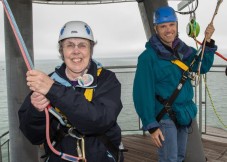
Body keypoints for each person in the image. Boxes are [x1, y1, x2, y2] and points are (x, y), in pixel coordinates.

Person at [18, 21, 124, 162]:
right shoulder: (47, 82)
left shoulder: (106, 79)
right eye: (69, 45)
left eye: (82, 45)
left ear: (90, 50)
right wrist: (36, 111)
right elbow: (34, 137)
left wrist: (54, 90)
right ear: (62, 51)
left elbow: (99, 121)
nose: (76, 51)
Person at [133, 6, 217, 162]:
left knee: (179, 157)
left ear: (177, 25)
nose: (168, 30)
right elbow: (142, 93)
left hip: (183, 114)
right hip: (165, 117)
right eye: (163, 26)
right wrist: (151, 124)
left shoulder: (183, 50)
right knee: (169, 159)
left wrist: (208, 42)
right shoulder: (148, 58)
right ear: (156, 29)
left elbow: (202, 66)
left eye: (171, 25)